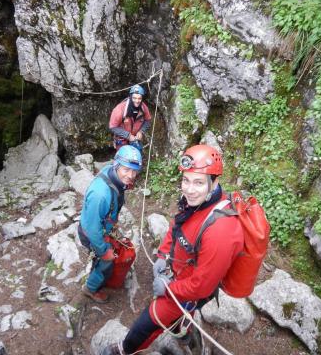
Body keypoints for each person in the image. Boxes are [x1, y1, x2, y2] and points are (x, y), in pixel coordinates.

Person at [101, 144, 244, 354]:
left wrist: (169, 289)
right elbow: (177, 226)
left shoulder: (221, 231)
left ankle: (122, 350)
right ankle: (184, 331)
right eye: (185, 180)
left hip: (189, 287)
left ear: (214, 183)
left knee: (148, 321)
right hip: (181, 274)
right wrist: (162, 254)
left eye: (198, 182)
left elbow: (202, 285)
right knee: (181, 316)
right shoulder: (195, 203)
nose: (189, 189)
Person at [78, 145, 142, 303]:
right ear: (117, 165)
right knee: (105, 261)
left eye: (134, 171)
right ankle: (90, 289)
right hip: (92, 234)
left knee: (107, 256)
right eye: (126, 170)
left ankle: (100, 269)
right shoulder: (100, 194)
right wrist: (103, 250)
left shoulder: (112, 174)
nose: (131, 175)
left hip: (102, 228)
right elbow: (93, 230)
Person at [109, 84, 151, 153]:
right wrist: (128, 136)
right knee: (124, 159)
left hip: (135, 139)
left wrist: (141, 131)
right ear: (130, 97)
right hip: (122, 140)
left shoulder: (144, 108)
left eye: (139, 98)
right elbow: (113, 127)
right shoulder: (120, 109)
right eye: (134, 98)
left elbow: (147, 121)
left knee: (136, 157)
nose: (137, 101)